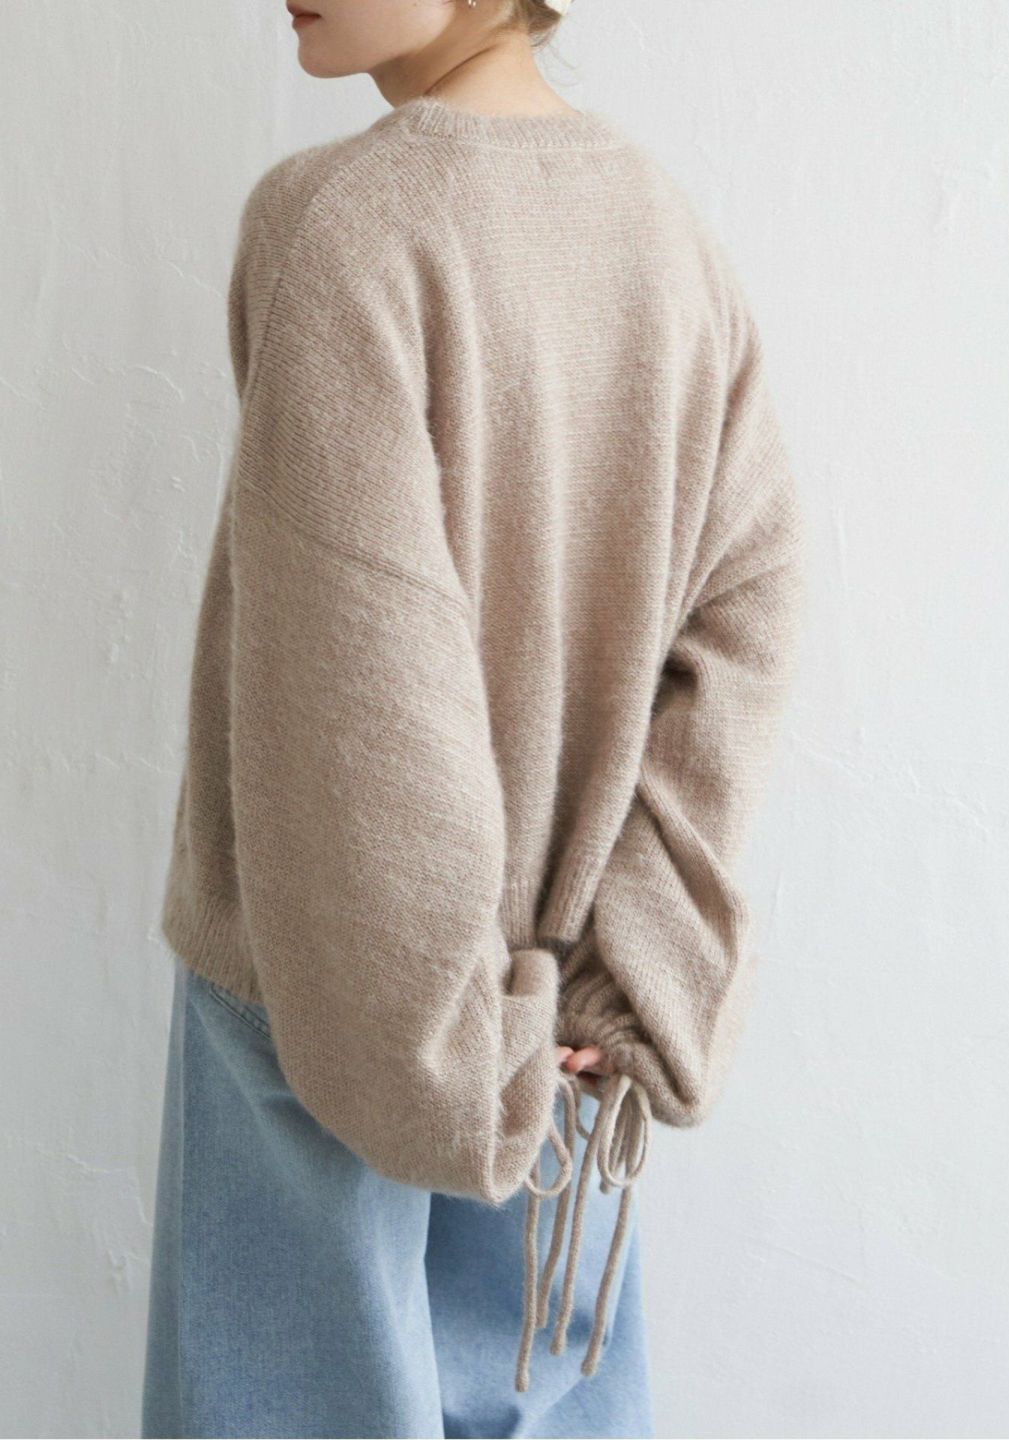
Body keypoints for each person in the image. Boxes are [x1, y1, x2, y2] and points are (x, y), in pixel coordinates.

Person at [140, 0, 805, 1435]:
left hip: (331, 1004)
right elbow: (748, 611)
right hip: (562, 1017)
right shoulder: (663, 234)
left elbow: (362, 684)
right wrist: (636, 959)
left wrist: (433, 1042)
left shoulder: (341, 227)